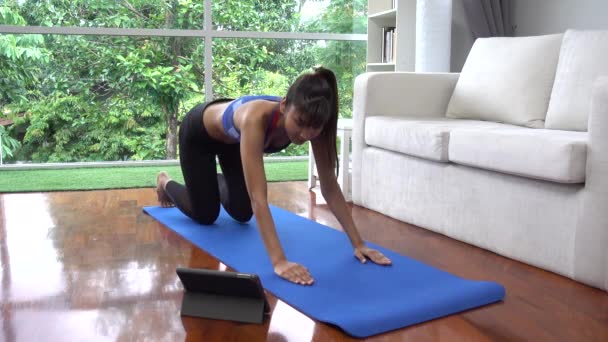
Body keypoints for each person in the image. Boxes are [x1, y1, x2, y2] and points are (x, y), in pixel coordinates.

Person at [156, 67, 392, 286]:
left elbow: (329, 187)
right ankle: (165, 183)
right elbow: (259, 197)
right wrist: (279, 262)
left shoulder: (314, 122)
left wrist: (358, 243)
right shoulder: (255, 119)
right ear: (283, 106)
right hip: (200, 135)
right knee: (206, 214)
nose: (305, 134)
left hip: (233, 142)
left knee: (242, 212)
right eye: (299, 123)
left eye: (314, 128)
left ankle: (209, 182)